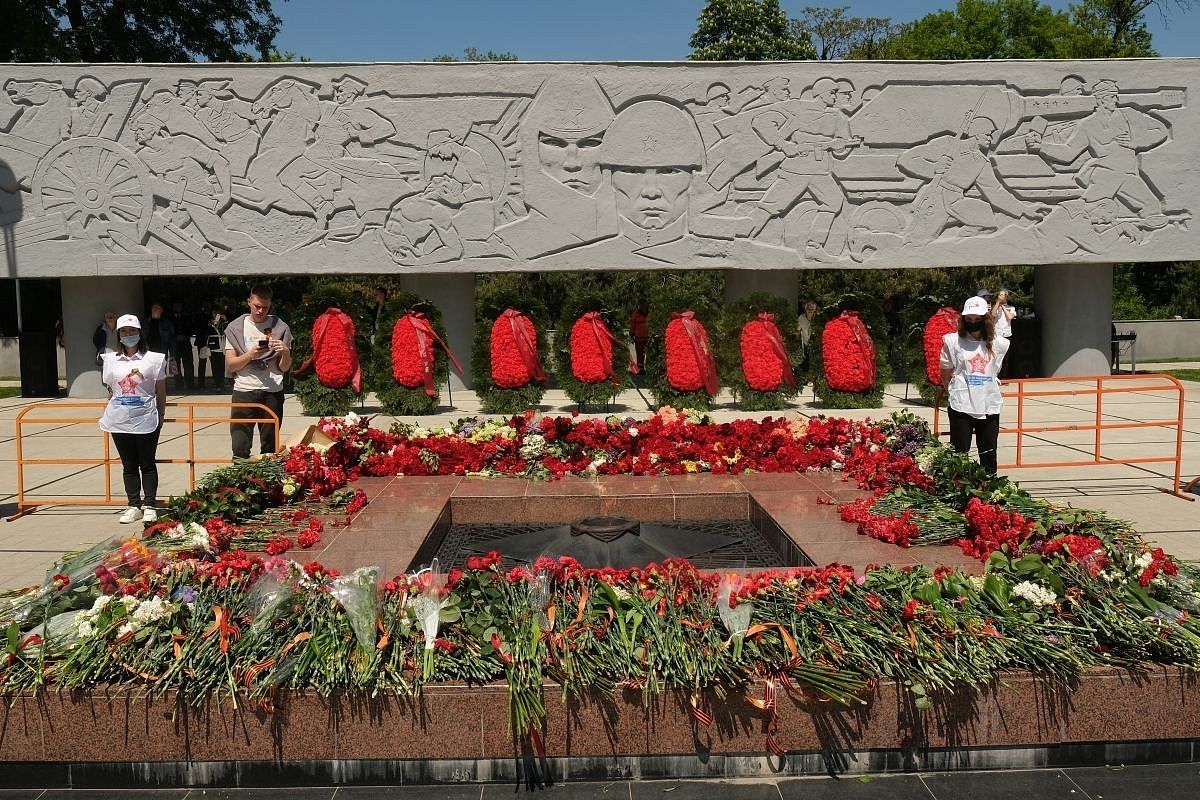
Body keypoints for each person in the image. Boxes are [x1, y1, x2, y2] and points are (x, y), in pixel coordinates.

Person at [99, 314, 167, 524]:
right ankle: (133, 504)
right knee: (128, 464)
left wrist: (161, 414)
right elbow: (110, 388)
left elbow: (161, 390)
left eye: (132, 331)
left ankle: (149, 504)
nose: (128, 335)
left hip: (146, 418)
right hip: (120, 420)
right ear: (119, 335)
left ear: (139, 332)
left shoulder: (154, 359)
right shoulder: (110, 360)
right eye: (124, 331)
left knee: (147, 463)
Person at [939, 296, 1010, 475]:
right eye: (969, 319)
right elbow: (945, 369)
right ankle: (956, 489)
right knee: (959, 452)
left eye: (977, 319)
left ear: (985, 318)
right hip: (961, 402)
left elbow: (996, 369)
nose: (973, 322)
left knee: (988, 452)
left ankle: (989, 491)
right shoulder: (953, 341)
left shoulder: (998, 343)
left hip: (988, 403)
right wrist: (950, 390)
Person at [224, 285, 293, 459]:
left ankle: (266, 484)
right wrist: (250, 355)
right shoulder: (235, 328)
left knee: (270, 448)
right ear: (249, 302)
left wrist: (285, 352)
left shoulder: (280, 327)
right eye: (257, 306)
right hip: (244, 391)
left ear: (270, 305)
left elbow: (284, 367)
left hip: (272, 392)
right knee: (240, 446)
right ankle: (240, 483)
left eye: (265, 307)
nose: (260, 311)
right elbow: (231, 365)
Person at [196, 303, 227, 391]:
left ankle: (221, 382)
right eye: (214, 313)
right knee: (215, 365)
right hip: (213, 345)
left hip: (222, 345)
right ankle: (217, 383)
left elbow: (226, 331)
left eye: (217, 313)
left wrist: (225, 321)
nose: (216, 315)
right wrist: (213, 324)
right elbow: (207, 332)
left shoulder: (223, 322)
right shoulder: (208, 321)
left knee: (221, 365)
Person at [168, 299, 197, 390]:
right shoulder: (169, 318)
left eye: (179, 306)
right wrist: (174, 337)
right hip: (174, 345)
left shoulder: (187, 317)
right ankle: (178, 384)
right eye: (176, 306)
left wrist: (185, 336)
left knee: (188, 365)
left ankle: (190, 384)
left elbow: (192, 328)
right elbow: (168, 330)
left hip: (185, 344)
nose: (177, 307)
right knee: (175, 365)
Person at [797, 301, 817, 382]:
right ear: (805, 309)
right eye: (808, 309)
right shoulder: (801, 318)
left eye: (812, 309)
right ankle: (806, 379)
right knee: (805, 361)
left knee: (814, 361)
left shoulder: (817, 317)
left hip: (815, 343)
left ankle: (814, 379)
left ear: (814, 310)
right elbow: (798, 330)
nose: (810, 311)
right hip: (805, 342)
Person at [629, 298, 650, 373]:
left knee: (641, 353)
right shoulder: (645, 314)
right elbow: (632, 325)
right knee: (643, 353)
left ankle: (643, 368)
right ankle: (643, 368)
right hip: (644, 337)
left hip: (642, 338)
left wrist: (631, 333)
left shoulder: (637, 314)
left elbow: (632, 325)